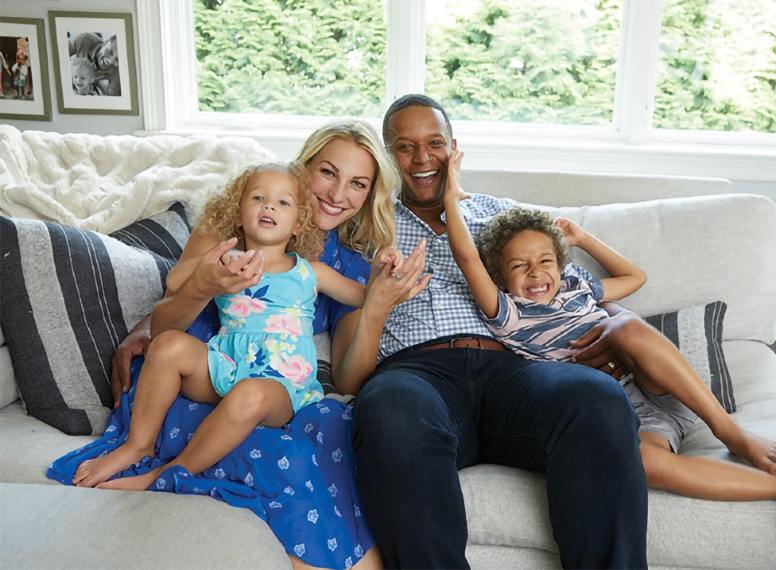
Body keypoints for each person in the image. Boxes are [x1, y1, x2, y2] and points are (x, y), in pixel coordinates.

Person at [49, 120, 430, 570]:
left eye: (357, 184)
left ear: (369, 195)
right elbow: (166, 315)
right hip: (203, 377)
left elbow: (349, 376)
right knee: (194, 371)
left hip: (270, 391)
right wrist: (202, 286)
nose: (336, 193)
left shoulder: (332, 266)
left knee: (323, 434)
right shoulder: (236, 226)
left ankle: (338, 555)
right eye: (327, 172)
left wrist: (381, 300)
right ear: (302, 167)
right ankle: (144, 453)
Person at [346, 94, 649, 569]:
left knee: (595, 397)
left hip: (517, 367)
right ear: (387, 155)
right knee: (390, 407)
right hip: (419, 375)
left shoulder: (500, 211)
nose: (423, 158)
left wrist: (617, 332)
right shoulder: (363, 221)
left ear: (455, 148)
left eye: (435, 143)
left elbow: (569, 284)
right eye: (405, 147)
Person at [444, 149, 776, 501]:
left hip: (656, 383)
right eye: (519, 266)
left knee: (623, 325)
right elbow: (467, 256)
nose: (535, 272)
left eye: (545, 261)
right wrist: (451, 197)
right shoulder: (508, 312)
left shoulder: (576, 286)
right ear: (498, 275)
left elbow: (635, 277)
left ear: (561, 265)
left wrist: (583, 238)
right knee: (644, 463)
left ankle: (729, 432)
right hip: (624, 415)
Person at [72, 161, 380, 489]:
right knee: (168, 345)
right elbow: (175, 280)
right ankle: (137, 446)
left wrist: (386, 274)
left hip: (280, 386)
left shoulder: (310, 272)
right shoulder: (226, 262)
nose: (269, 206)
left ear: (298, 224)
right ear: (237, 213)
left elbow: (365, 297)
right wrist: (208, 268)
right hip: (224, 368)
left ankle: (170, 472)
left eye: (283, 203)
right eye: (258, 198)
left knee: (251, 393)